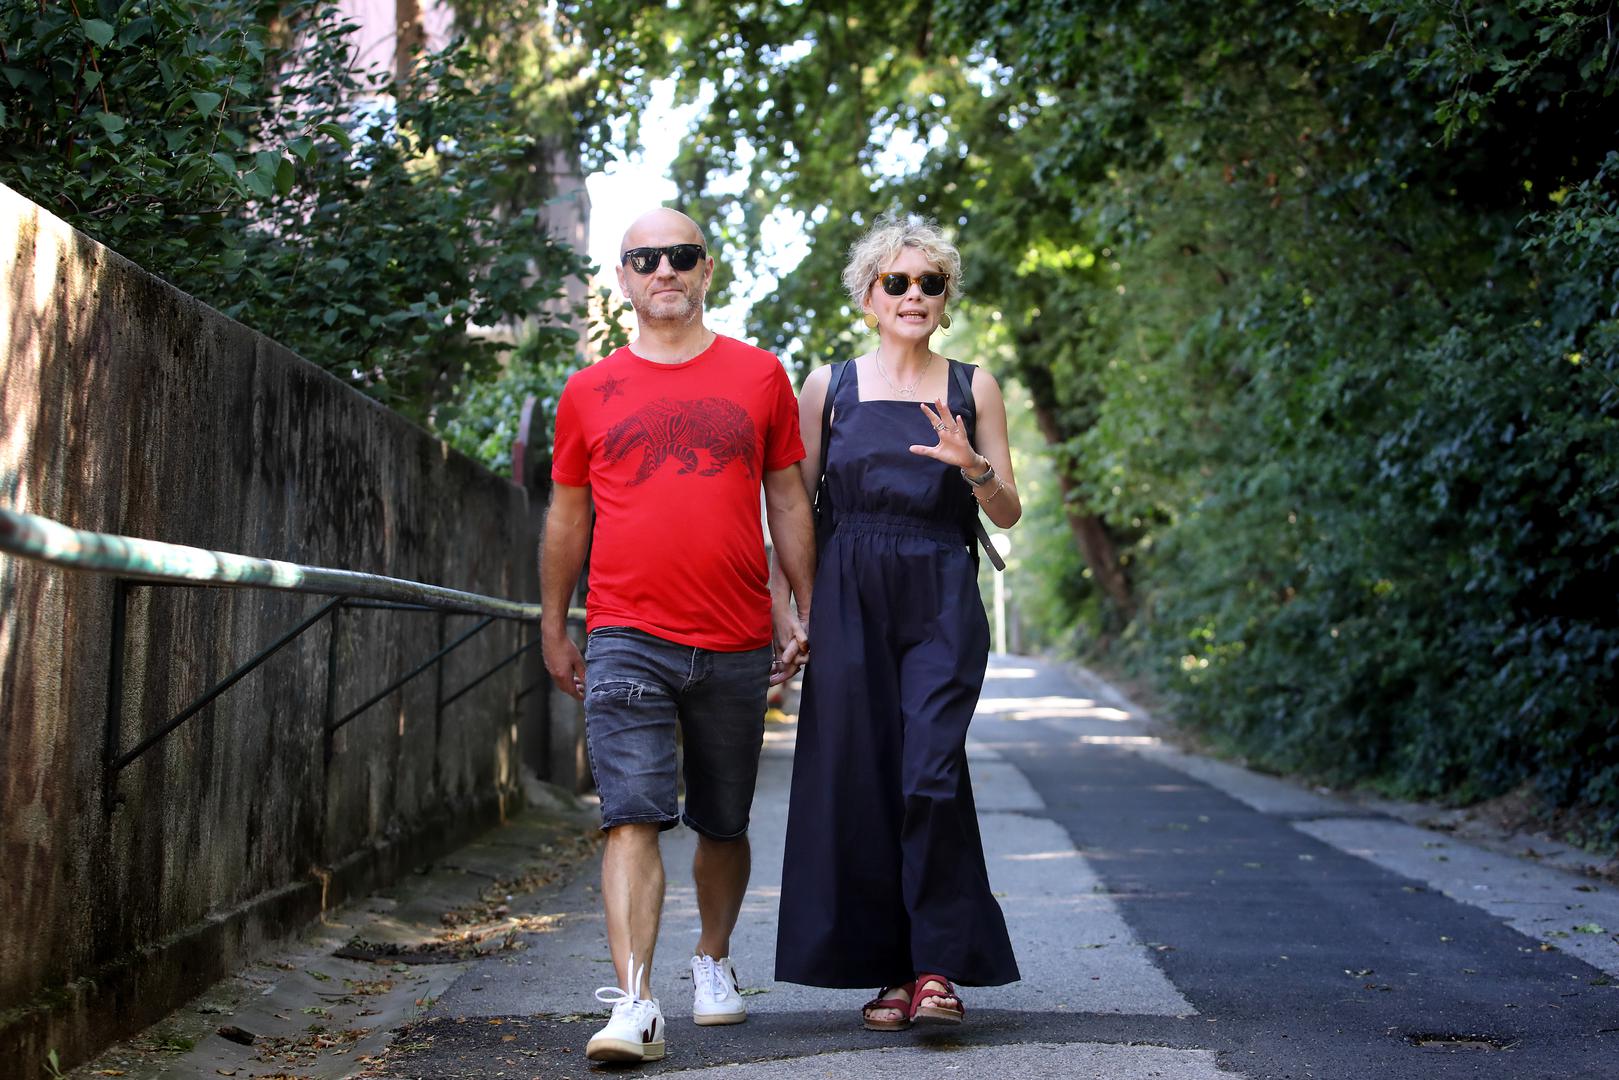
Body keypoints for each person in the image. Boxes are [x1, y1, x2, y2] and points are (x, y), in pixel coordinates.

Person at [540, 207, 815, 1064]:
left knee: (723, 821)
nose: (664, 269)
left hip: (734, 634)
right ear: (622, 278)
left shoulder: (760, 375)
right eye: (645, 258)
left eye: (682, 255)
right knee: (630, 815)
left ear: (706, 270)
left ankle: (712, 959)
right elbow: (567, 515)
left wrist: (801, 607)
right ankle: (635, 1003)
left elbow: (787, 499)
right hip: (626, 630)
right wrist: (555, 622)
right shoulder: (588, 391)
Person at [773, 212, 1022, 1030]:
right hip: (848, 591)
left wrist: (972, 466)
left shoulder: (974, 386)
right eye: (897, 281)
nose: (913, 294)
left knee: (929, 773)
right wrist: (794, 608)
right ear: (869, 297)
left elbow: (1008, 511)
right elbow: (793, 508)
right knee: (863, 779)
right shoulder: (829, 387)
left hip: (940, 590)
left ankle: (939, 966)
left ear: (945, 299)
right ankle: (892, 971)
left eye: (929, 282)